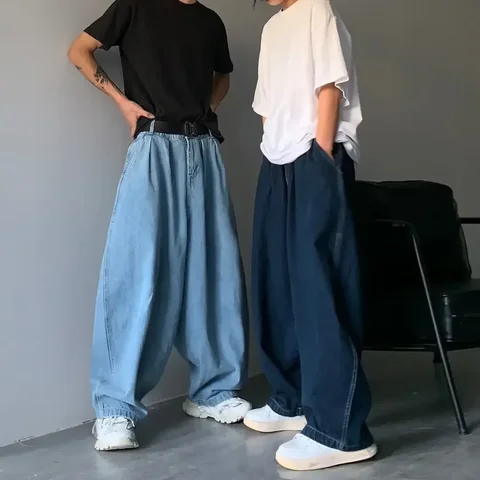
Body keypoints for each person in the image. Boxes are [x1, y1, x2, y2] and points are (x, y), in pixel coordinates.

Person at [68, 0, 250, 452]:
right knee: (135, 272)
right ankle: (114, 409)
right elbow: (79, 50)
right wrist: (124, 104)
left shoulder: (210, 21)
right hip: (153, 145)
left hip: (203, 148)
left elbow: (223, 75)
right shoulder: (135, 6)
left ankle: (213, 391)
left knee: (214, 270)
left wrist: (208, 106)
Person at [243, 0, 377, 471]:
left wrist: (320, 155)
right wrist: (274, 151)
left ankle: (340, 431)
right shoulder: (272, 28)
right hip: (277, 161)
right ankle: (291, 399)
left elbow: (329, 88)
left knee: (320, 286)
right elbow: (267, 105)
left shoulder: (317, 8)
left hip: (315, 157)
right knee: (277, 283)